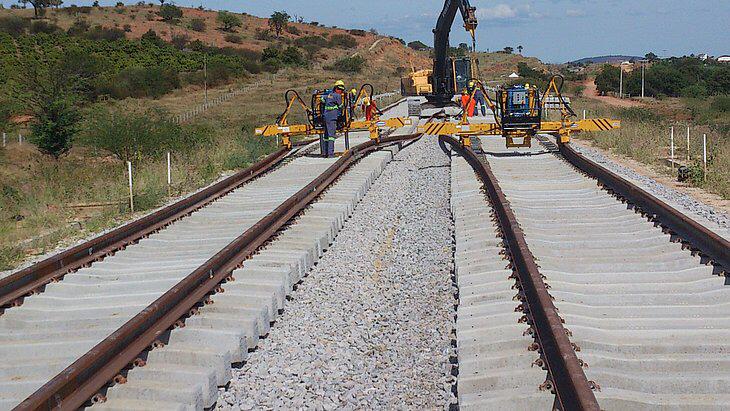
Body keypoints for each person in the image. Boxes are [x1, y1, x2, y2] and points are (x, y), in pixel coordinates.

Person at [322, 80, 346, 158]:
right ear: (337, 89)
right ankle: (330, 154)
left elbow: (322, 99)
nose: (341, 92)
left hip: (326, 116)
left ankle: (325, 153)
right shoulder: (337, 96)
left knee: (326, 135)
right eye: (341, 90)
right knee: (331, 136)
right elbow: (341, 106)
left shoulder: (329, 95)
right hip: (332, 117)